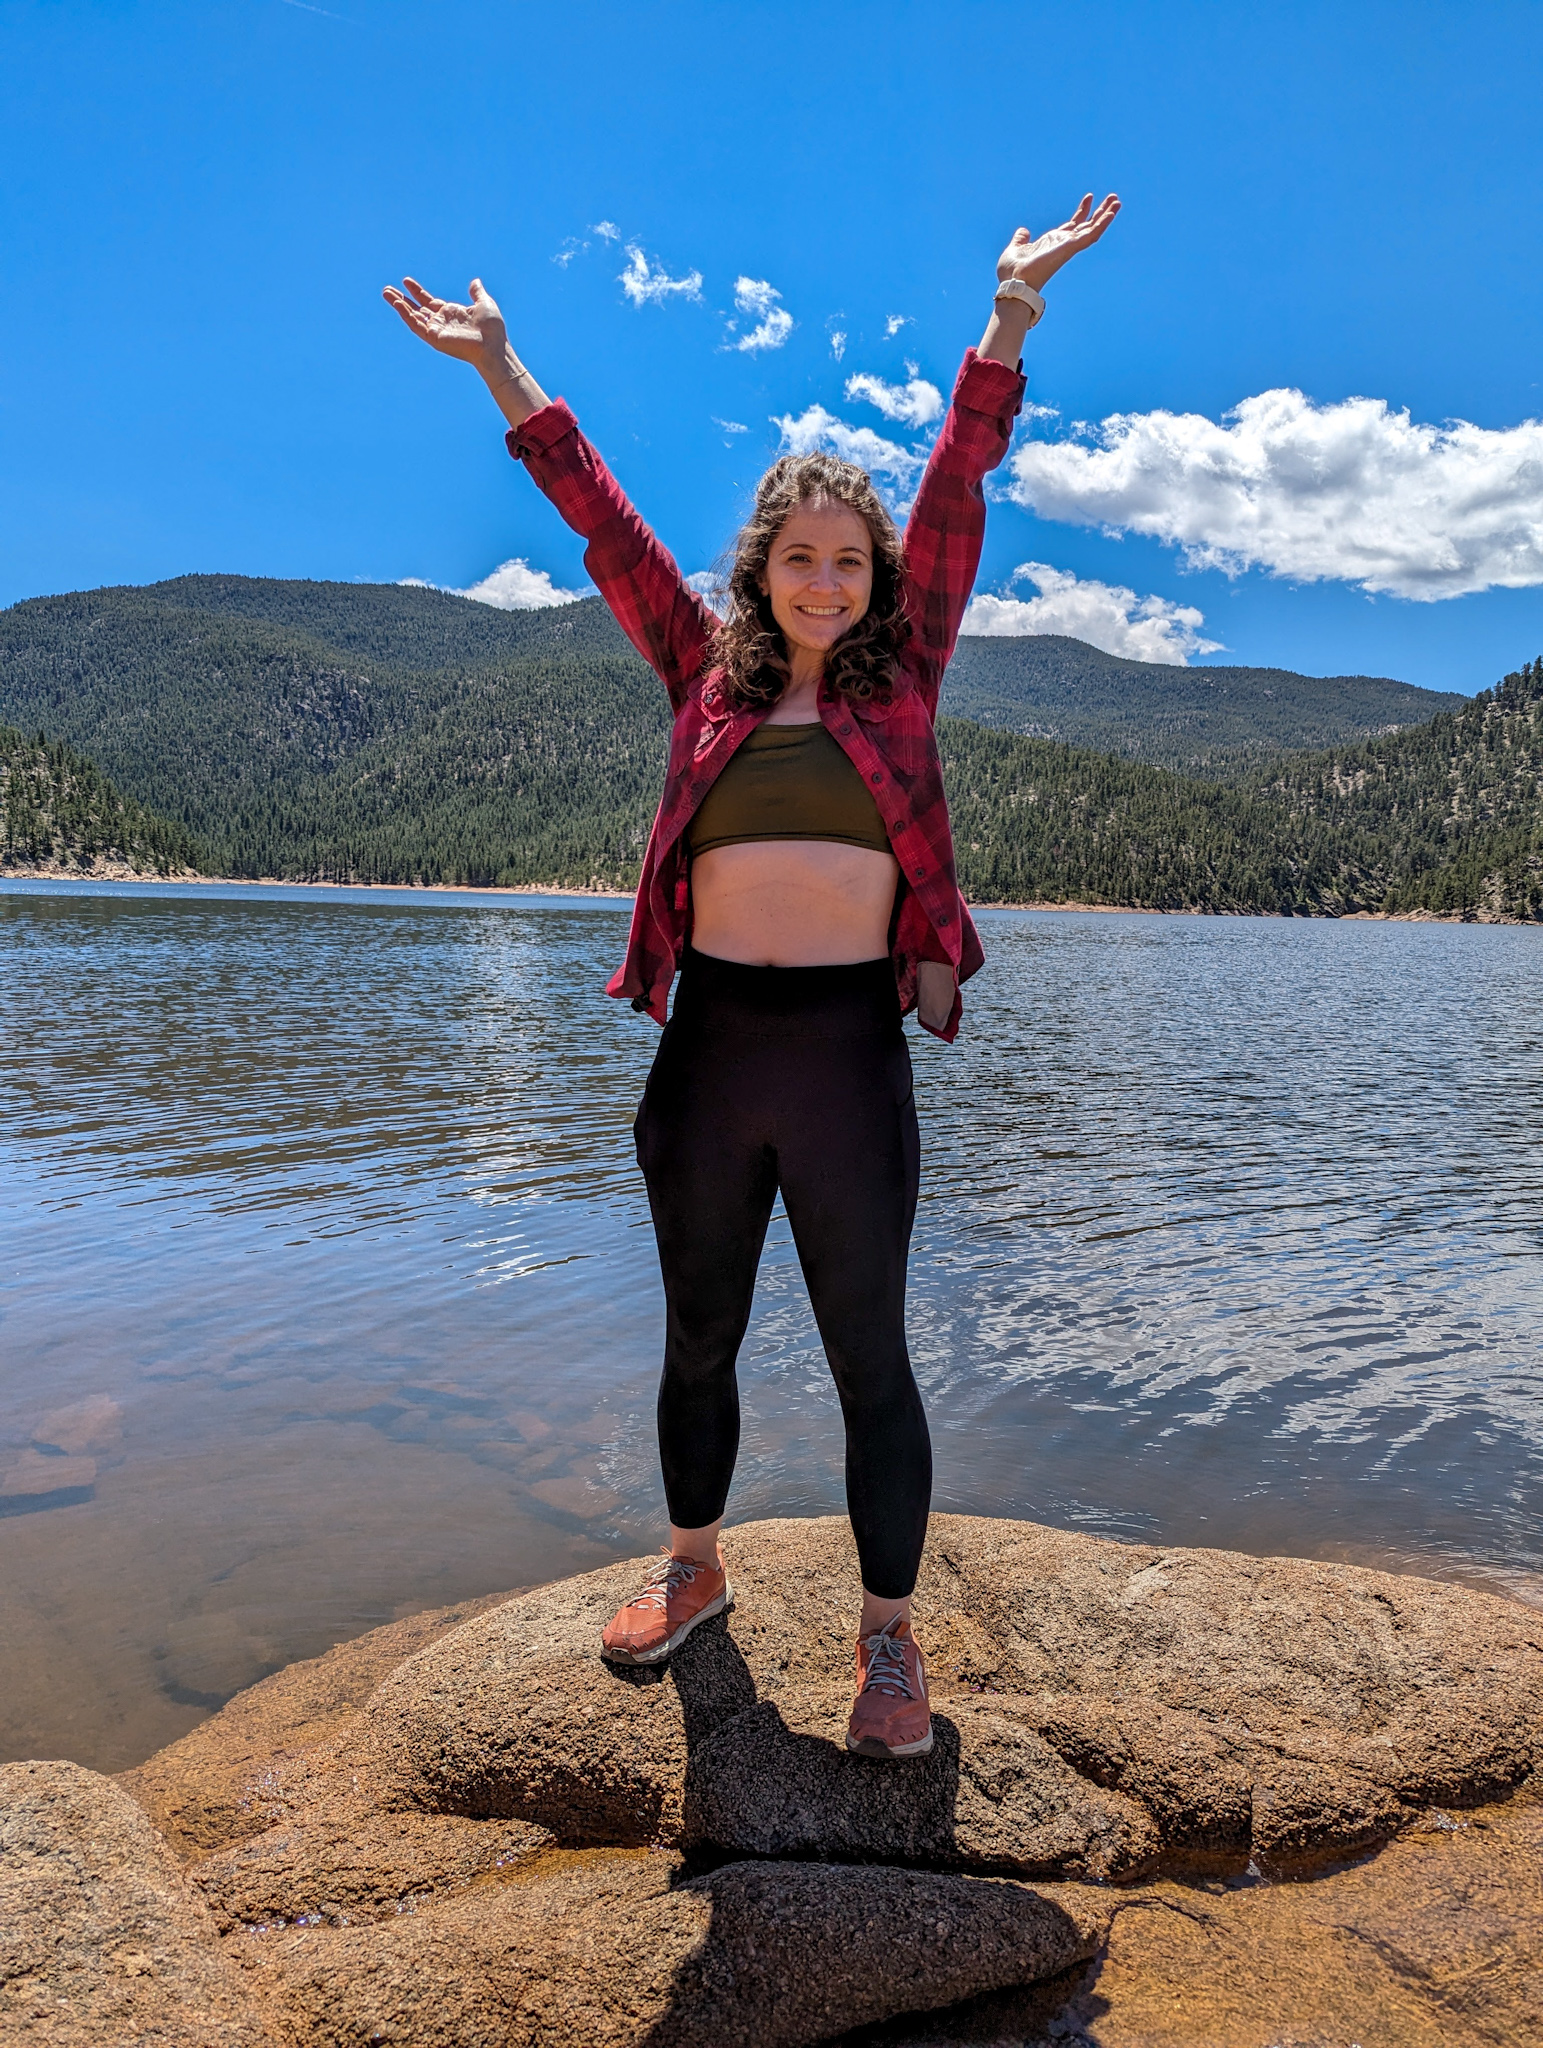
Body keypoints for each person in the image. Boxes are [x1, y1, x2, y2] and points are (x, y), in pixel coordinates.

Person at [384, 194, 1120, 1759]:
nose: (828, 583)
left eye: (850, 562)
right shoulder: (697, 667)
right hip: (712, 1046)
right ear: (762, 568)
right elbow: (598, 519)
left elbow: (961, 486)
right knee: (697, 1333)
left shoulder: (903, 674)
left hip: (850, 1053)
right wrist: (504, 370)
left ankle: (889, 1647)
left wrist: (1005, 319)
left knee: (870, 1355)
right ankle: (696, 1572)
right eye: (801, 560)